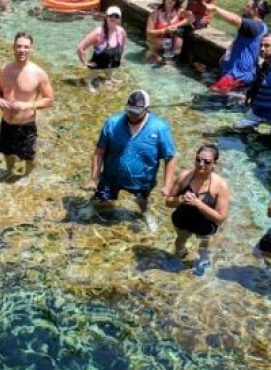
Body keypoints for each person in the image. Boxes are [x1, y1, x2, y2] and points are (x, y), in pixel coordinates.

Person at [84, 90, 177, 222]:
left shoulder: (160, 128)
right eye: (129, 110)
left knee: (141, 201)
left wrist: (167, 185)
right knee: (99, 199)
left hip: (141, 181)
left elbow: (170, 158)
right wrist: (93, 179)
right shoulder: (112, 123)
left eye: (136, 111)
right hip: (111, 177)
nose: (132, 114)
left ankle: (145, 214)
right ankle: (91, 210)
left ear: (147, 109)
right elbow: (99, 152)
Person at [0, 31, 55, 181]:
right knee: (6, 151)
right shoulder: (5, 69)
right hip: (7, 121)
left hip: (26, 124)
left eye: (26, 47)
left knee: (28, 154)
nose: (22, 50)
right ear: (13, 47)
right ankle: (9, 171)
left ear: (31, 49)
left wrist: (27, 105)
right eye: (19, 46)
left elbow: (49, 99)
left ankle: (27, 176)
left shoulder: (39, 73)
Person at [165, 144, 230, 275]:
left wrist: (198, 204)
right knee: (180, 240)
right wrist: (182, 199)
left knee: (204, 245)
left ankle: (202, 260)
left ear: (214, 164)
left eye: (207, 162)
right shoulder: (184, 176)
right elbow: (168, 202)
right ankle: (179, 255)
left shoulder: (220, 186)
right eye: (198, 159)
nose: (201, 164)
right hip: (182, 220)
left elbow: (220, 218)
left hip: (205, 225)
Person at [206, 0, 271, 93]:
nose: (244, 8)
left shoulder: (254, 25)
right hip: (245, 73)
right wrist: (227, 55)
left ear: (255, 10)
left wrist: (216, 8)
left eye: (248, 6)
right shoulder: (263, 26)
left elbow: (235, 20)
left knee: (210, 95)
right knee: (224, 98)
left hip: (237, 75)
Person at [76, 6, 127, 90]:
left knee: (111, 69)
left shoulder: (121, 31)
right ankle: (87, 81)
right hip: (98, 64)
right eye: (111, 16)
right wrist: (85, 62)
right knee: (93, 75)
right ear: (106, 17)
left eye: (116, 16)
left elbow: (124, 44)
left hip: (111, 63)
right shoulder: (98, 33)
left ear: (119, 19)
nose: (113, 18)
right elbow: (80, 48)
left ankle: (109, 78)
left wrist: (122, 56)